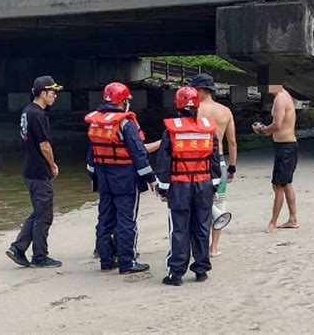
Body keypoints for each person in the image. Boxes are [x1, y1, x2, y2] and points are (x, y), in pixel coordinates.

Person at [85, 82, 157, 274]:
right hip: (125, 178)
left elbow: (91, 156)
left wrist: (93, 176)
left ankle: (106, 260)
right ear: (123, 101)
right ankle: (127, 262)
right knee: (126, 220)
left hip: (103, 177)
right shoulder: (125, 122)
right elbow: (139, 153)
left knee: (105, 219)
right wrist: (151, 178)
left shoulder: (96, 122)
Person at [156, 86, 221, 286]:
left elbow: (164, 162)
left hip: (180, 185)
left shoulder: (171, 130)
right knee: (202, 227)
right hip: (203, 184)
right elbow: (215, 161)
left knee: (179, 229)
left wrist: (163, 188)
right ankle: (201, 270)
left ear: (177, 105)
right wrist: (215, 188)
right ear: (197, 105)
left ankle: (176, 273)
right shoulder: (208, 129)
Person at [6, 75, 63, 268]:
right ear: (42, 93)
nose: (55, 95)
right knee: (45, 215)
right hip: (39, 171)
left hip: (29, 169)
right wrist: (53, 165)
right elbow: (44, 145)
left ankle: (18, 248)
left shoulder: (27, 111)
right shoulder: (38, 115)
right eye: (52, 92)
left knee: (39, 212)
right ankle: (39, 256)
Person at [191, 73, 237, 257]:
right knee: (220, 201)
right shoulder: (225, 111)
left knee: (197, 203)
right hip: (219, 161)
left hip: (198, 161)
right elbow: (232, 142)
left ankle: (197, 246)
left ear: (200, 90)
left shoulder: (194, 109)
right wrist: (232, 167)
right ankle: (214, 248)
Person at [252, 82, 298, 233]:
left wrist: (262, 130)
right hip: (286, 146)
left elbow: (277, 126)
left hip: (285, 147)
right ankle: (292, 219)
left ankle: (273, 223)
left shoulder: (280, 99)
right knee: (286, 184)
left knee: (278, 186)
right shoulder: (283, 96)